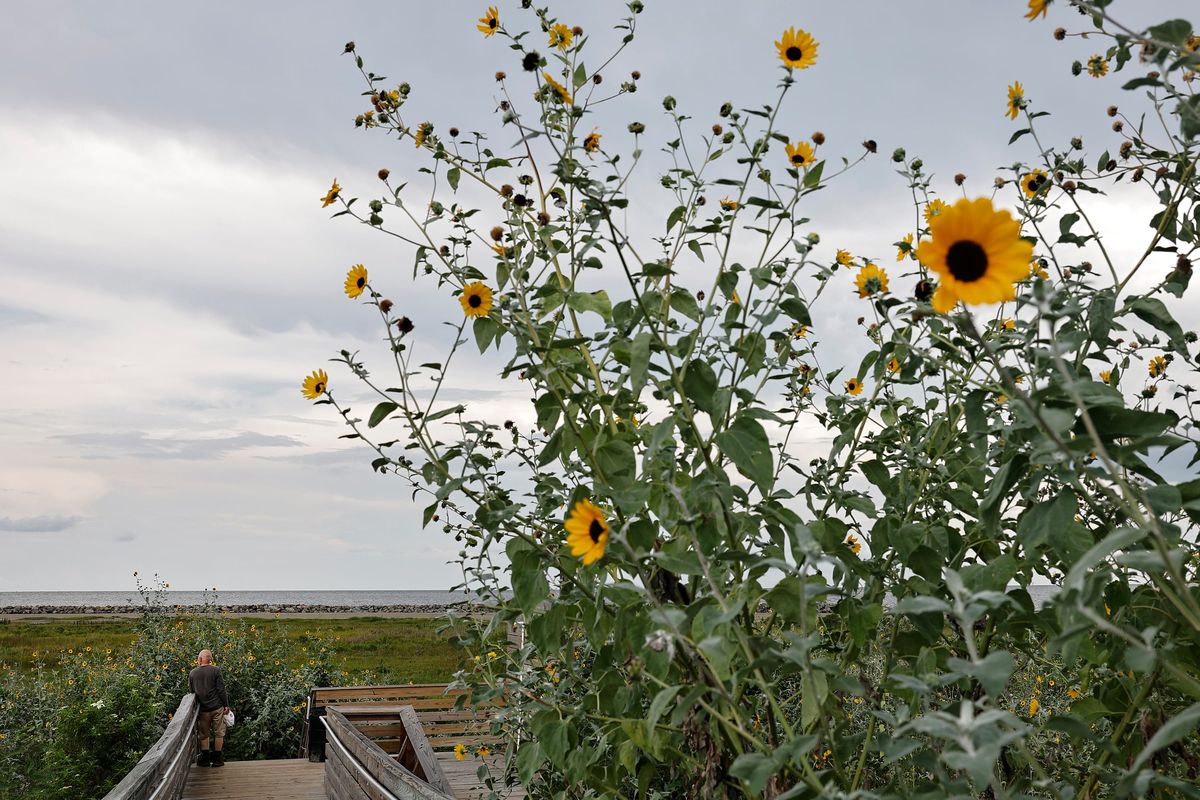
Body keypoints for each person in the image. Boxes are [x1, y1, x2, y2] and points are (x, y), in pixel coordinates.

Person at [188, 649, 230, 767]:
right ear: (210, 659)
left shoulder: (192, 673)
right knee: (219, 733)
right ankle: (217, 759)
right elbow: (221, 689)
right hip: (217, 708)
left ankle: (205, 759)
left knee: (204, 734)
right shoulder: (216, 670)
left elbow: (191, 692)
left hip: (203, 709)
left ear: (200, 659)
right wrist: (226, 705)